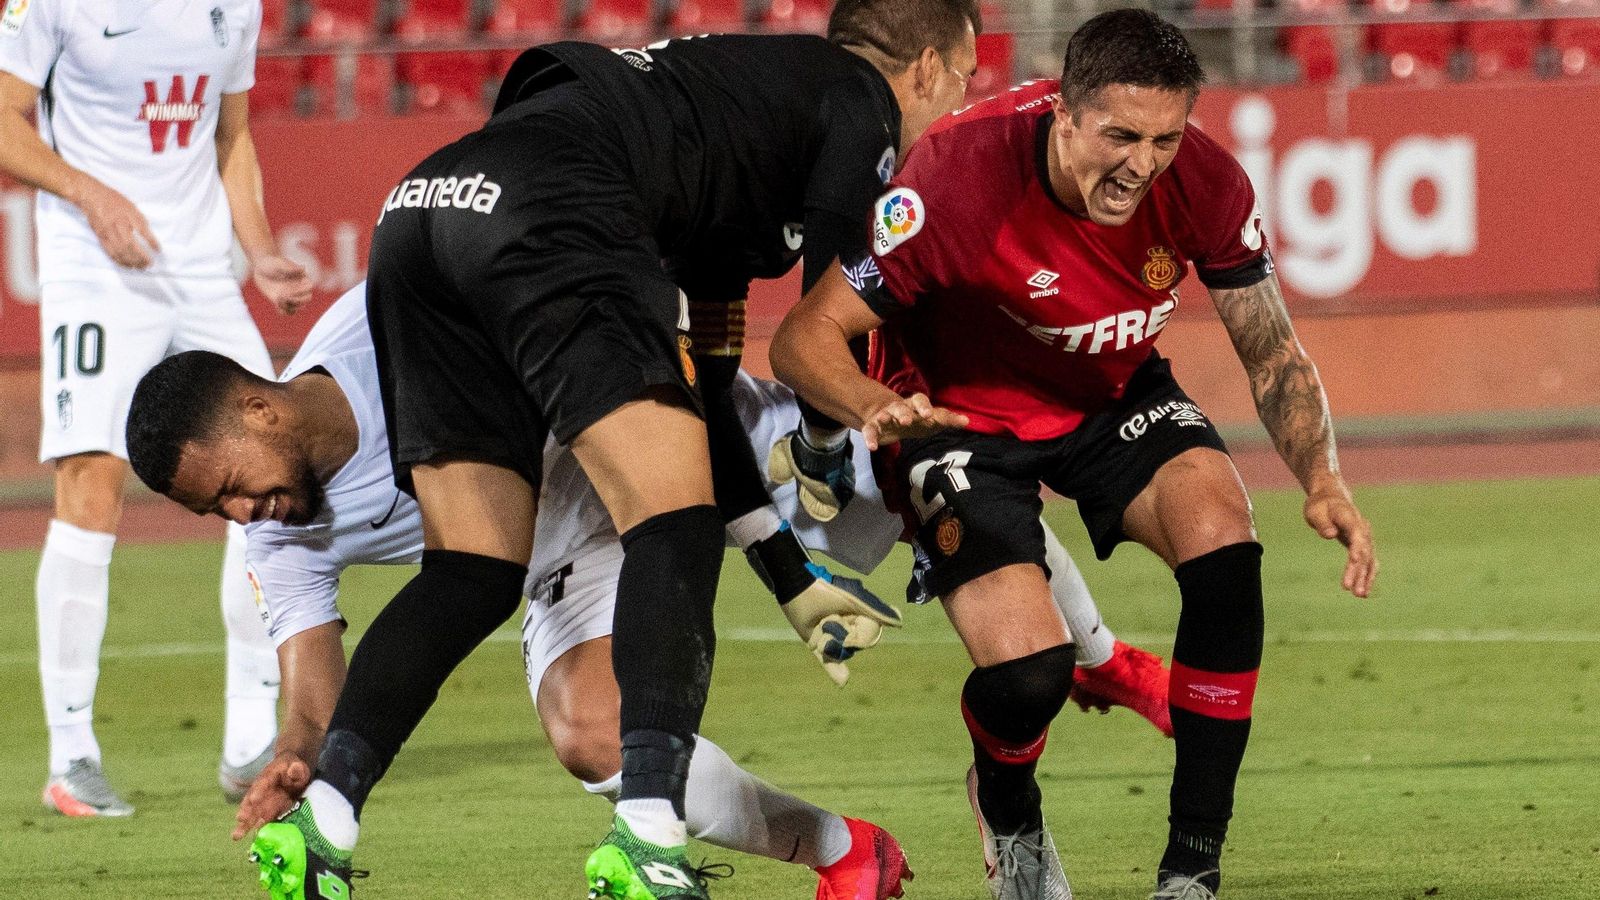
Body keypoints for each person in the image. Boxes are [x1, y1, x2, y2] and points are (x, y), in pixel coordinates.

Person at [215, 2, 985, 896]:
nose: (952, 106)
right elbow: (817, 339)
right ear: (926, 68)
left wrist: (791, 576)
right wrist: (826, 442)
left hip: (422, 205)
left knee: (469, 569)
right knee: (673, 524)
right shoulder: (859, 103)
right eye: (963, 81)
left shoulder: (718, 150)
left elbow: (707, 397)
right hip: (546, 206)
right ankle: (649, 837)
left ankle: (327, 822)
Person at [124, 284, 1169, 897]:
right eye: (218, 514)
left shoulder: (396, 313)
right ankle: (844, 852)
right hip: (557, 546)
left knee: (935, 484)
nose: (242, 519)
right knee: (588, 732)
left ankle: (1101, 658)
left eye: (228, 493)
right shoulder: (280, 531)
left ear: (257, 411)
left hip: (649, 434)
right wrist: (302, 756)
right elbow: (312, 681)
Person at [771, 9, 1378, 900]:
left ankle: (1192, 866)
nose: (1142, 165)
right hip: (959, 416)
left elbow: (1274, 351)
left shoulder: (1204, 180)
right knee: (1030, 676)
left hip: (1111, 395)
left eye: (1165, 138)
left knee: (1227, 553)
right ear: (1063, 111)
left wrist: (1323, 480)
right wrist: (875, 404)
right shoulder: (954, 176)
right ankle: (1007, 807)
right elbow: (802, 337)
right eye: (1120, 136)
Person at [0, 0, 314, 816]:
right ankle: (73, 756)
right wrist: (87, 193)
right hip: (95, 265)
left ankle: (249, 737)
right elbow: (2, 117)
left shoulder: (234, 5)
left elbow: (232, 138)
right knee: (93, 482)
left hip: (203, 267)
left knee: (269, 480)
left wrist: (260, 249)